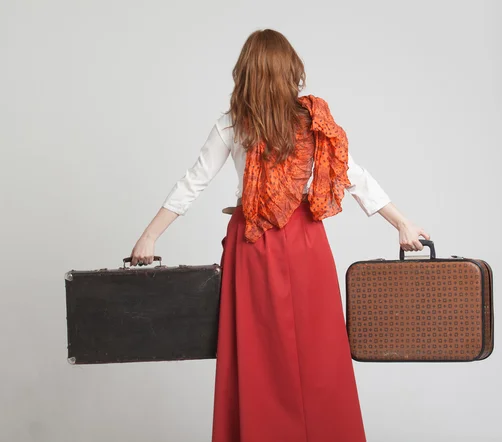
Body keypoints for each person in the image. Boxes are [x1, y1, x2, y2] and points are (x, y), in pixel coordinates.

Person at [129, 29, 430, 442]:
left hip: (252, 244)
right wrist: (400, 222)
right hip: (304, 241)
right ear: (290, 71)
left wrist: (149, 237)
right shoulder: (307, 120)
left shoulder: (235, 124)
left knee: (258, 355)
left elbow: (192, 183)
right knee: (318, 352)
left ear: (246, 72)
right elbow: (355, 177)